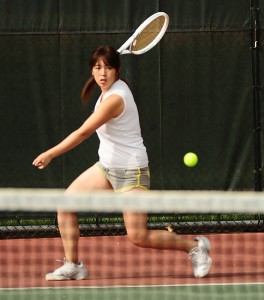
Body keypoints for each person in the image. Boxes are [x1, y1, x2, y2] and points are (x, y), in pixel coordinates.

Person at [32, 45, 212, 280]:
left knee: (139, 237)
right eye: (98, 68)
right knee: (65, 205)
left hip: (131, 171)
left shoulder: (116, 97)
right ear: (92, 71)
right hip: (106, 168)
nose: (103, 73)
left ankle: (195, 247)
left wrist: (51, 153)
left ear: (117, 70)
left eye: (108, 67)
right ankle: (74, 265)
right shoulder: (106, 90)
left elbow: (84, 132)